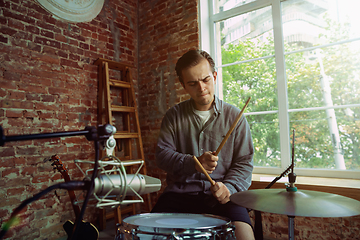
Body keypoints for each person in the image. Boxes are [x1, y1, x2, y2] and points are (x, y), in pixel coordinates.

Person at [151, 49, 255, 240]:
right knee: (149, 234)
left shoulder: (235, 117)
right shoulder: (173, 116)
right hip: (179, 195)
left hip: (224, 197)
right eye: (192, 83)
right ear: (183, 85)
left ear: (214, 76)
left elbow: (244, 162)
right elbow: (162, 155)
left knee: (244, 235)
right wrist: (194, 163)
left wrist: (229, 188)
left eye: (206, 80)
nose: (201, 88)